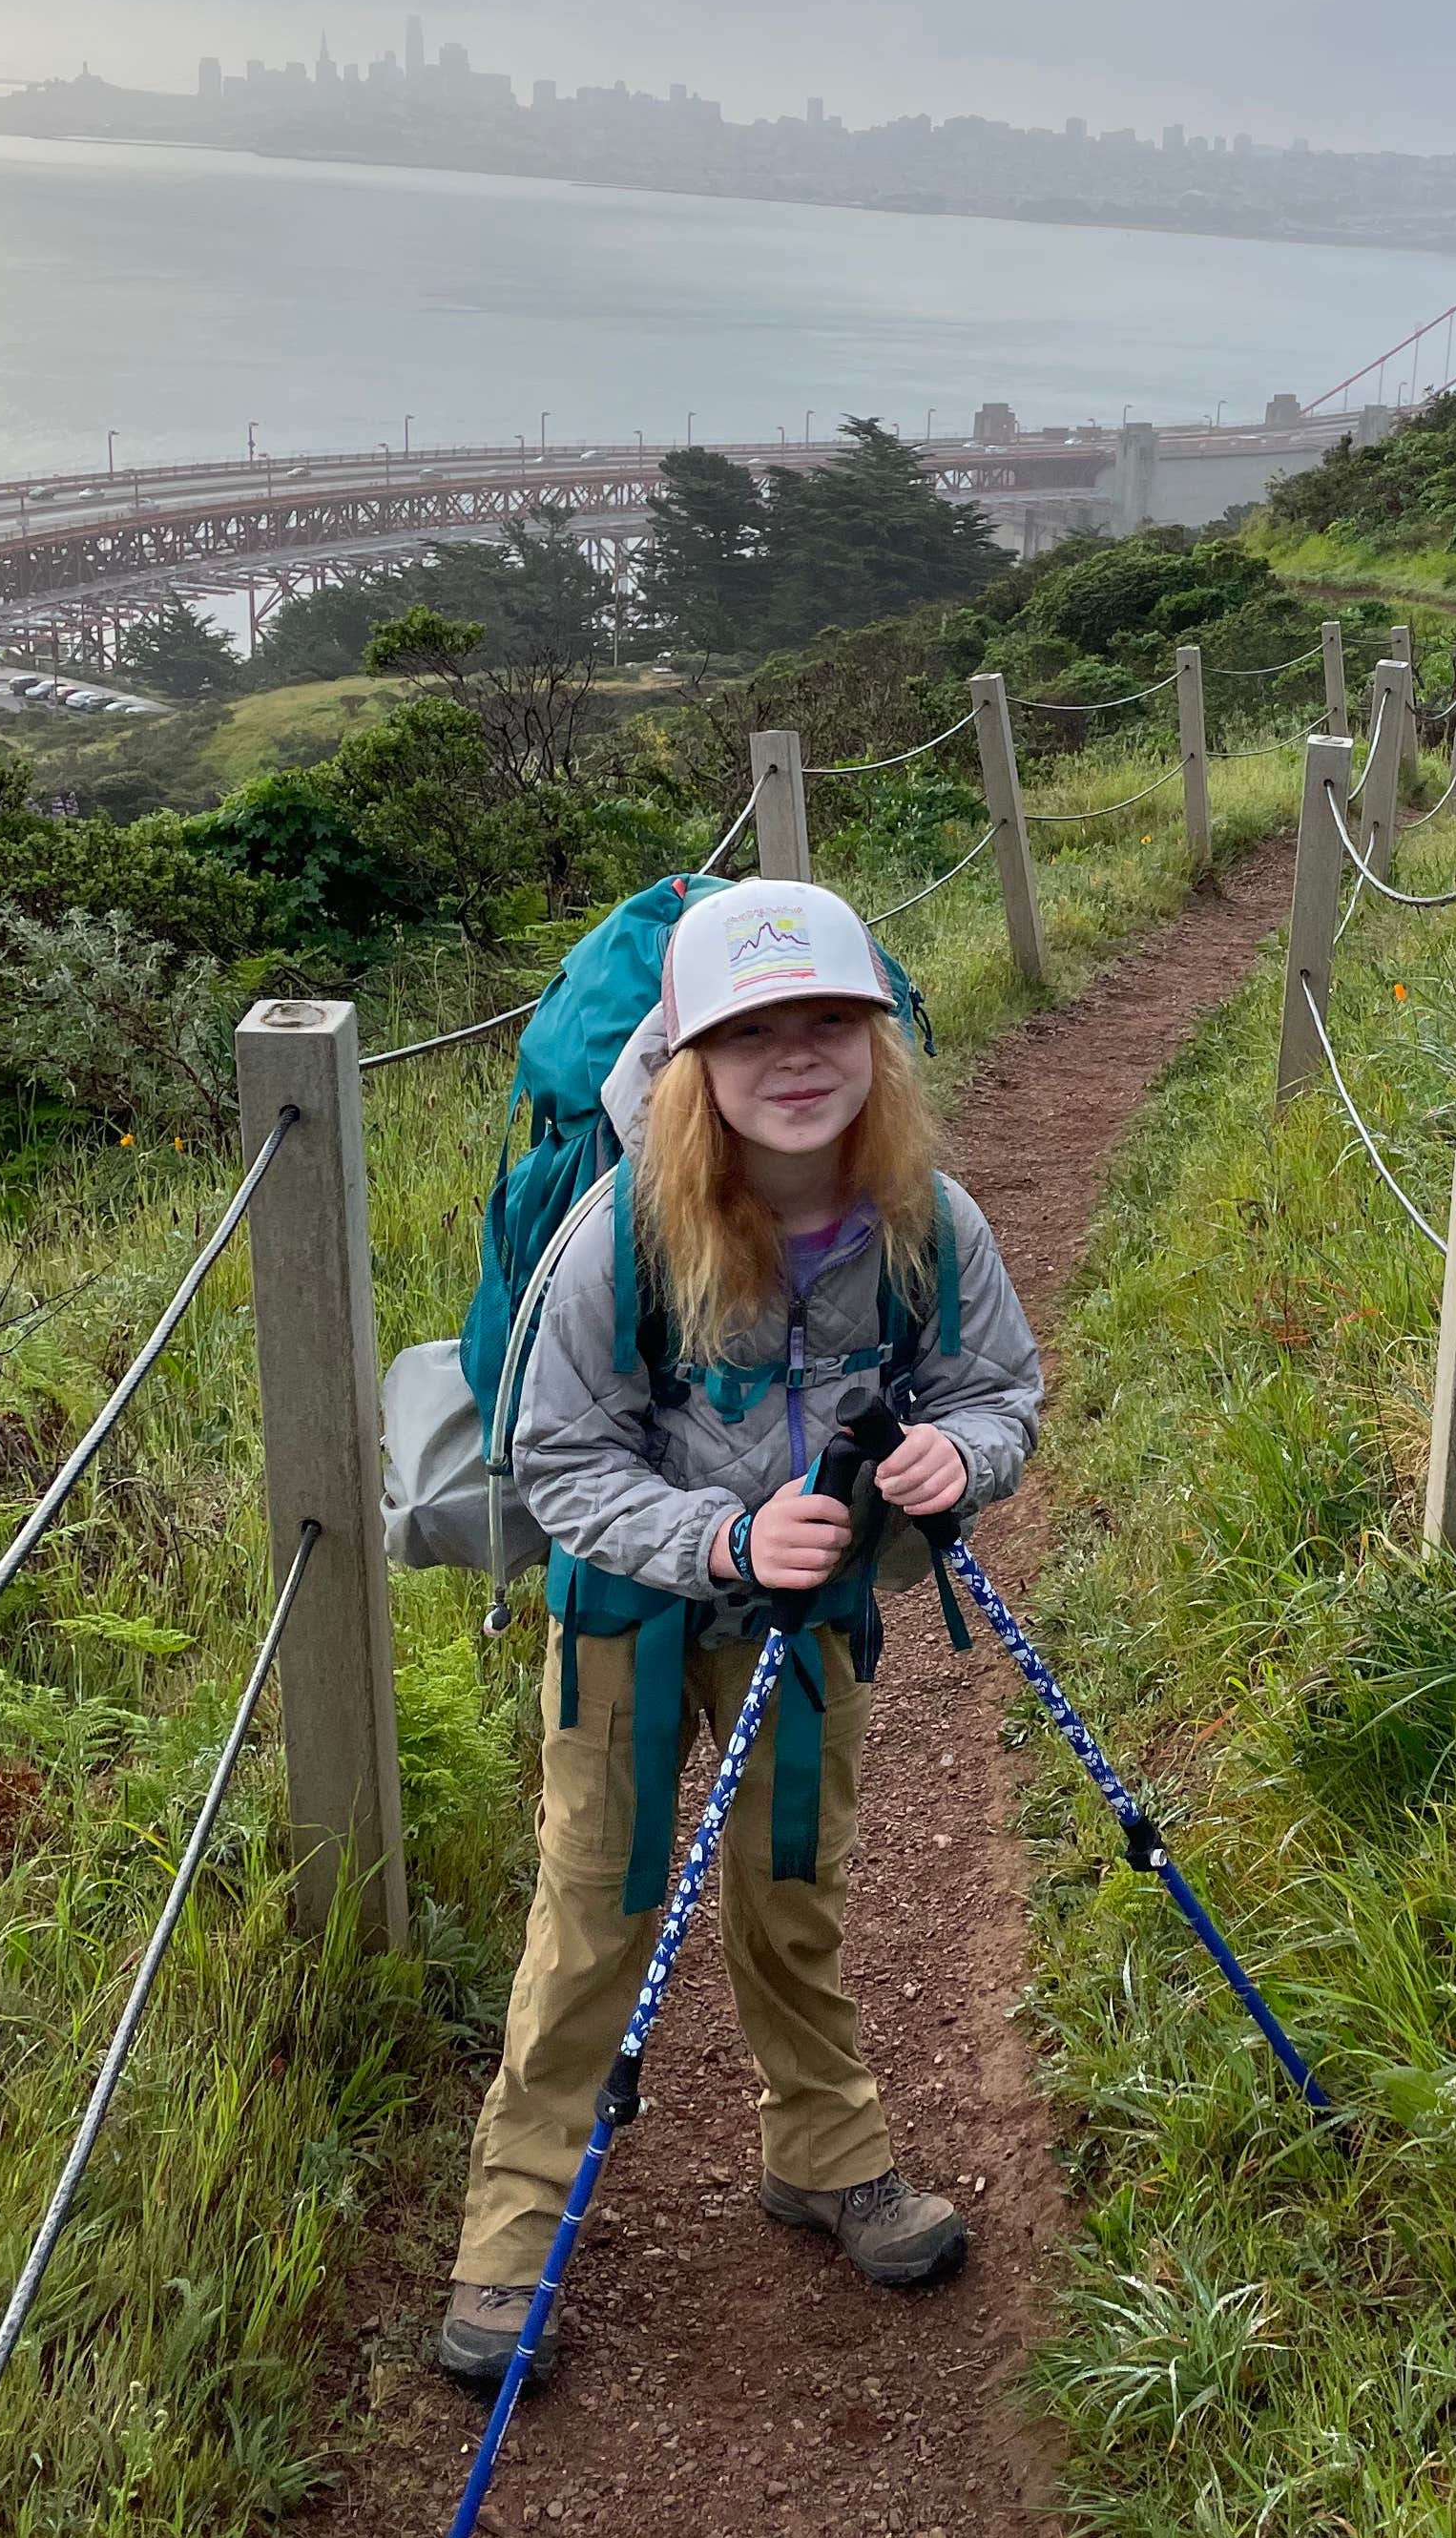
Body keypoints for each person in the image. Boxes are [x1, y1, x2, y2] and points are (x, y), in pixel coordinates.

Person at [439, 876, 1044, 2389]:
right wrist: (720, 1538)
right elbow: (554, 1454)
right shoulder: (624, 1227)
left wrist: (956, 1460)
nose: (796, 1056)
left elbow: (1000, 1391)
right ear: (694, 1057)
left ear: (880, 1039)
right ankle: (513, 2241)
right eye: (751, 1029)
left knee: (792, 1886)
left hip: (815, 1615)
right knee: (594, 1912)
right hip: (626, 1622)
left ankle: (825, 2153)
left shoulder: (926, 1221)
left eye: (829, 1020)